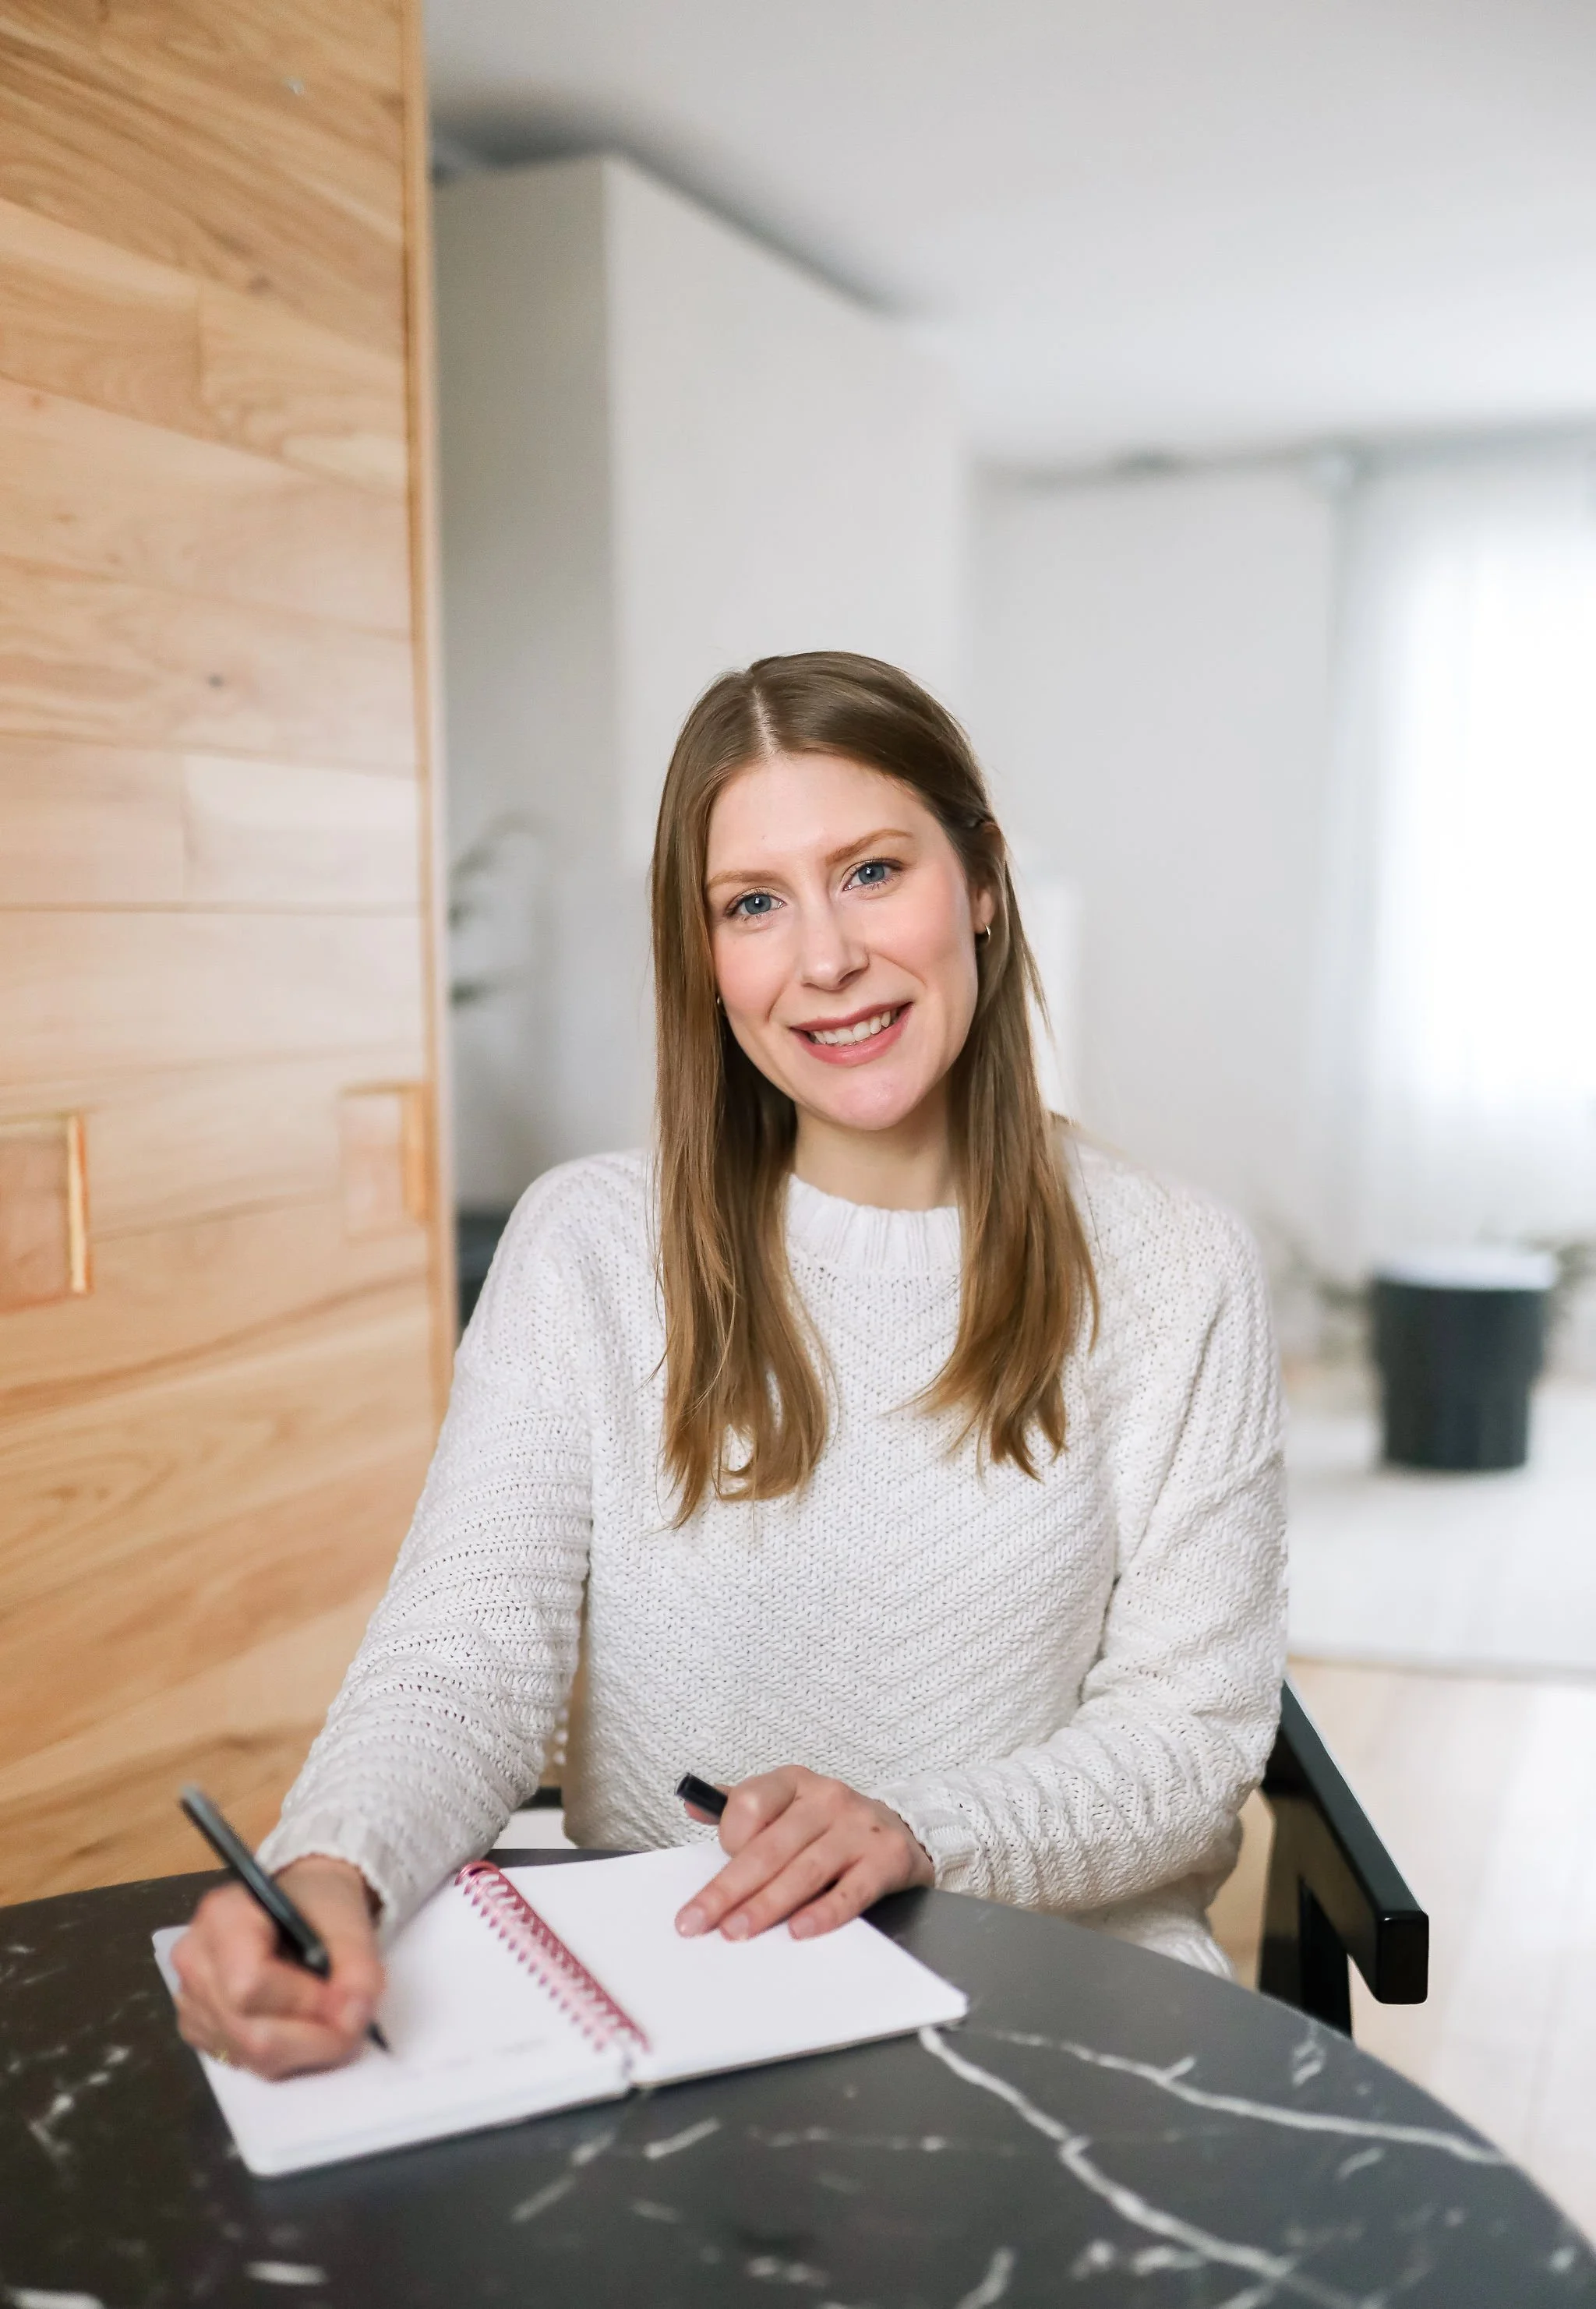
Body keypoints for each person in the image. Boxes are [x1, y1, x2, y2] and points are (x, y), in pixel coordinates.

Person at [173, 651, 1287, 2079]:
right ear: (707, 962)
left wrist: (920, 1831)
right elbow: (466, 1657)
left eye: (873, 872)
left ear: (984, 883)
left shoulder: (1178, 1269)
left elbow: (1192, 1753)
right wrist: (335, 1867)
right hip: (667, 2004)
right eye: (754, 904)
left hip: (1050, 2013)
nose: (824, 957)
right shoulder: (587, 1245)